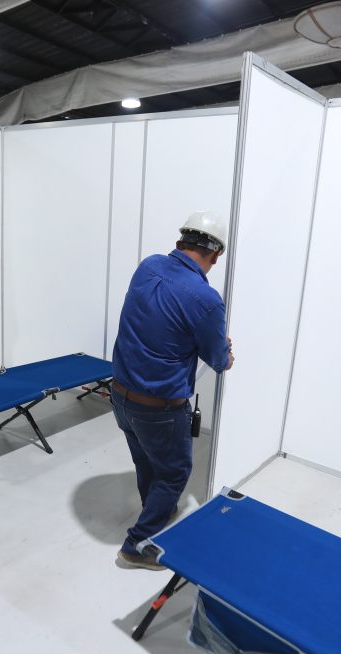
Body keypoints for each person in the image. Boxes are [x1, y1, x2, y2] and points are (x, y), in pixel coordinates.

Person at [111, 210, 235, 570]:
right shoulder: (206, 299)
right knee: (174, 472)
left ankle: (156, 512)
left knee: (146, 461)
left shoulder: (148, 266)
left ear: (181, 240)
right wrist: (224, 351)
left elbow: (158, 323)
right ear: (216, 255)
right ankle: (138, 544)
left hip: (120, 395)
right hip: (159, 408)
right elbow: (218, 359)